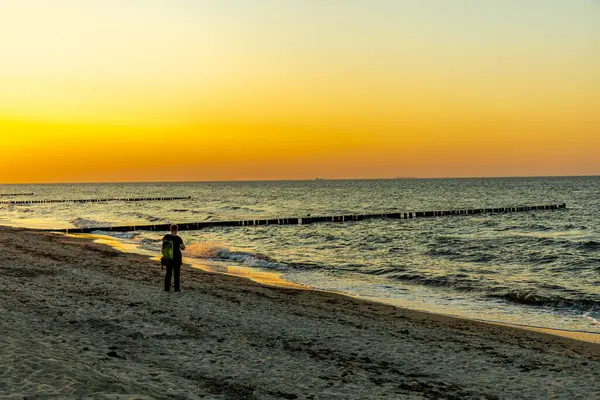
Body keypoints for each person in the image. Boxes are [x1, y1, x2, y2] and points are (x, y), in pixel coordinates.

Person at [162, 224, 185, 292]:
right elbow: (182, 248)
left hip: (168, 258)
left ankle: (167, 288)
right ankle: (176, 289)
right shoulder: (178, 238)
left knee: (168, 273)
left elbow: (163, 243)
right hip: (177, 258)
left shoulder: (166, 236)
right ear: (176, 230)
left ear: (170, 229)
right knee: (176, 274)